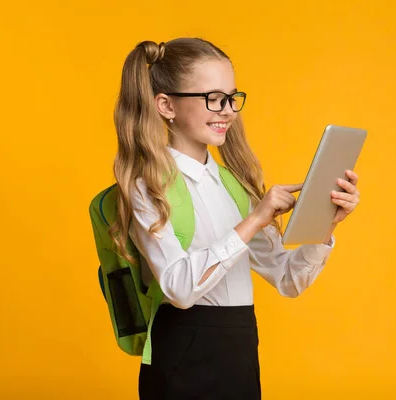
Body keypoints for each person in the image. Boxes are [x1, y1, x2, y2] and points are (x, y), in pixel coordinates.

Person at [110, 38, 360, 399]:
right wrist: (254, 220)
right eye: (212, 98)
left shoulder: (233, 185)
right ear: (166, 105)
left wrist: (327, 223)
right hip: (182, 352)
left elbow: (288, 278)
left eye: (232, 98)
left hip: (240, 348)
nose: (227, 110)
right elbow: (179, 289)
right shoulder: (147, 186)